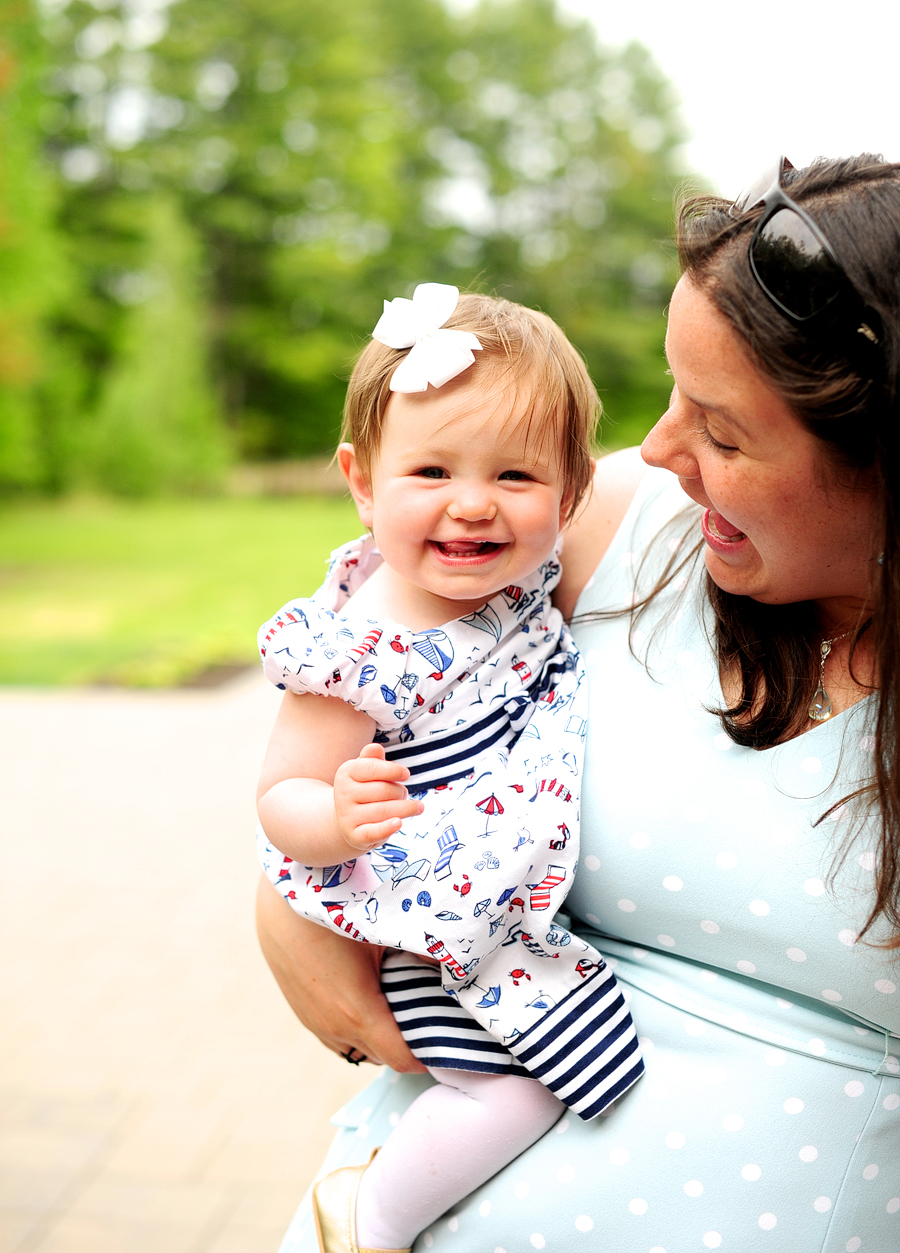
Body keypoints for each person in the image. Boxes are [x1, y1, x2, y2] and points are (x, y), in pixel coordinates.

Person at [258, 155, 900, 1252]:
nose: (655, 450)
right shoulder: (624, 526)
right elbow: (371, 663)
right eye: (669, 393)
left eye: (722, 430)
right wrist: (289, 898)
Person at [255, 284, 643, 1253]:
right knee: (513, 1086)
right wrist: (335, 815)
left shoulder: (528, 580)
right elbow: (279, 796)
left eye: (515, 475)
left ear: (572, 491)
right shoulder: (353, 648)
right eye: (431, 469)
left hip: (509, 890)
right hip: (435, 917)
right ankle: (369, 1215)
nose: (472, 504)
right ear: (361, 479)